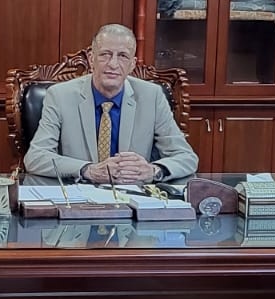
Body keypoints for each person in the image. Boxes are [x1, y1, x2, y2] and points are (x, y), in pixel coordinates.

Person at [24, 23, 198, 184]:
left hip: (133, 196)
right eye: (105, 54)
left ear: (132, 64)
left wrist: (153, 171)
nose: (113, 64)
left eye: (122, 56)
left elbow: (186, 157)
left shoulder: (152, 96)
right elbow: (36, 158)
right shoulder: (60, 96)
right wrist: (87, 170)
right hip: (79, 196)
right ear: (91, 59)